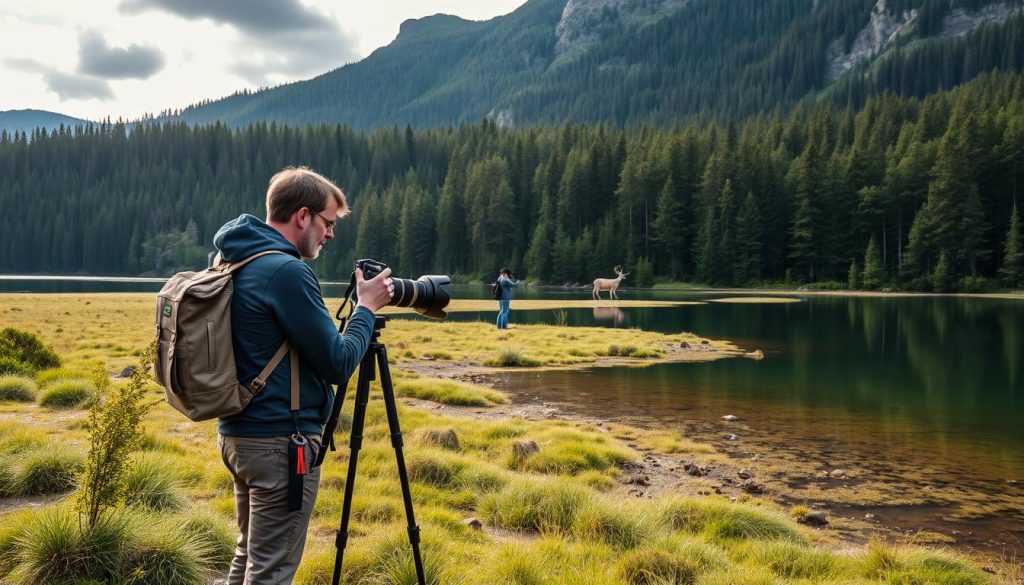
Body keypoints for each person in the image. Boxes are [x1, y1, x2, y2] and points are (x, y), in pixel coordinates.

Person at [212, 166, 393, 584]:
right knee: (272, 572)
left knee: (248, 559)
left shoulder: (236, 258)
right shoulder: (286, 272)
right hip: (280, 444)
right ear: (303, 216)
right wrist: (365, 309)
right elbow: (338, 362)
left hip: (237, 434)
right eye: (328, 223)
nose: (330, 235)